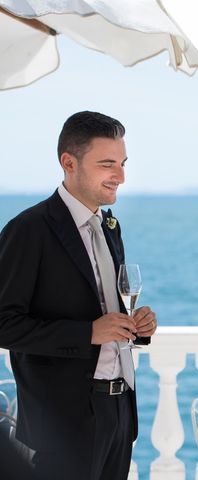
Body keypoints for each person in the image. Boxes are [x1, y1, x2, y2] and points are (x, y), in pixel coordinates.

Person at [0, 111, 158, 480]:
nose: (120, 176)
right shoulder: (29, 230)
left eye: (122, 163)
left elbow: (104, 309)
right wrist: (88, 333)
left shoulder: (109, 226)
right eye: (107, 164)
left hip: (119, 412)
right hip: (63, 422)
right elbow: (3, 324)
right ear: (68, 163)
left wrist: (137, 326)